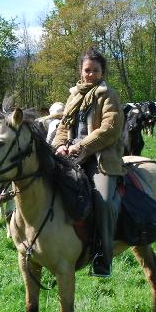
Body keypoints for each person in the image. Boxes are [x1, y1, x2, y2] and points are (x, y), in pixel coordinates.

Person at [52, 47, 125, 277]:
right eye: (87, 70)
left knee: (102, 200)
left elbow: (110, 129)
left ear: (102, 72)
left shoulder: (108, 95)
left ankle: (103, 256)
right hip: (71, 155)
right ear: (81, 71)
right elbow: (63, 126)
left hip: (100, 157)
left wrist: (82, 145)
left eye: (95, 70)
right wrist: (60, 145)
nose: (90, 74)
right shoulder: (74, 95)